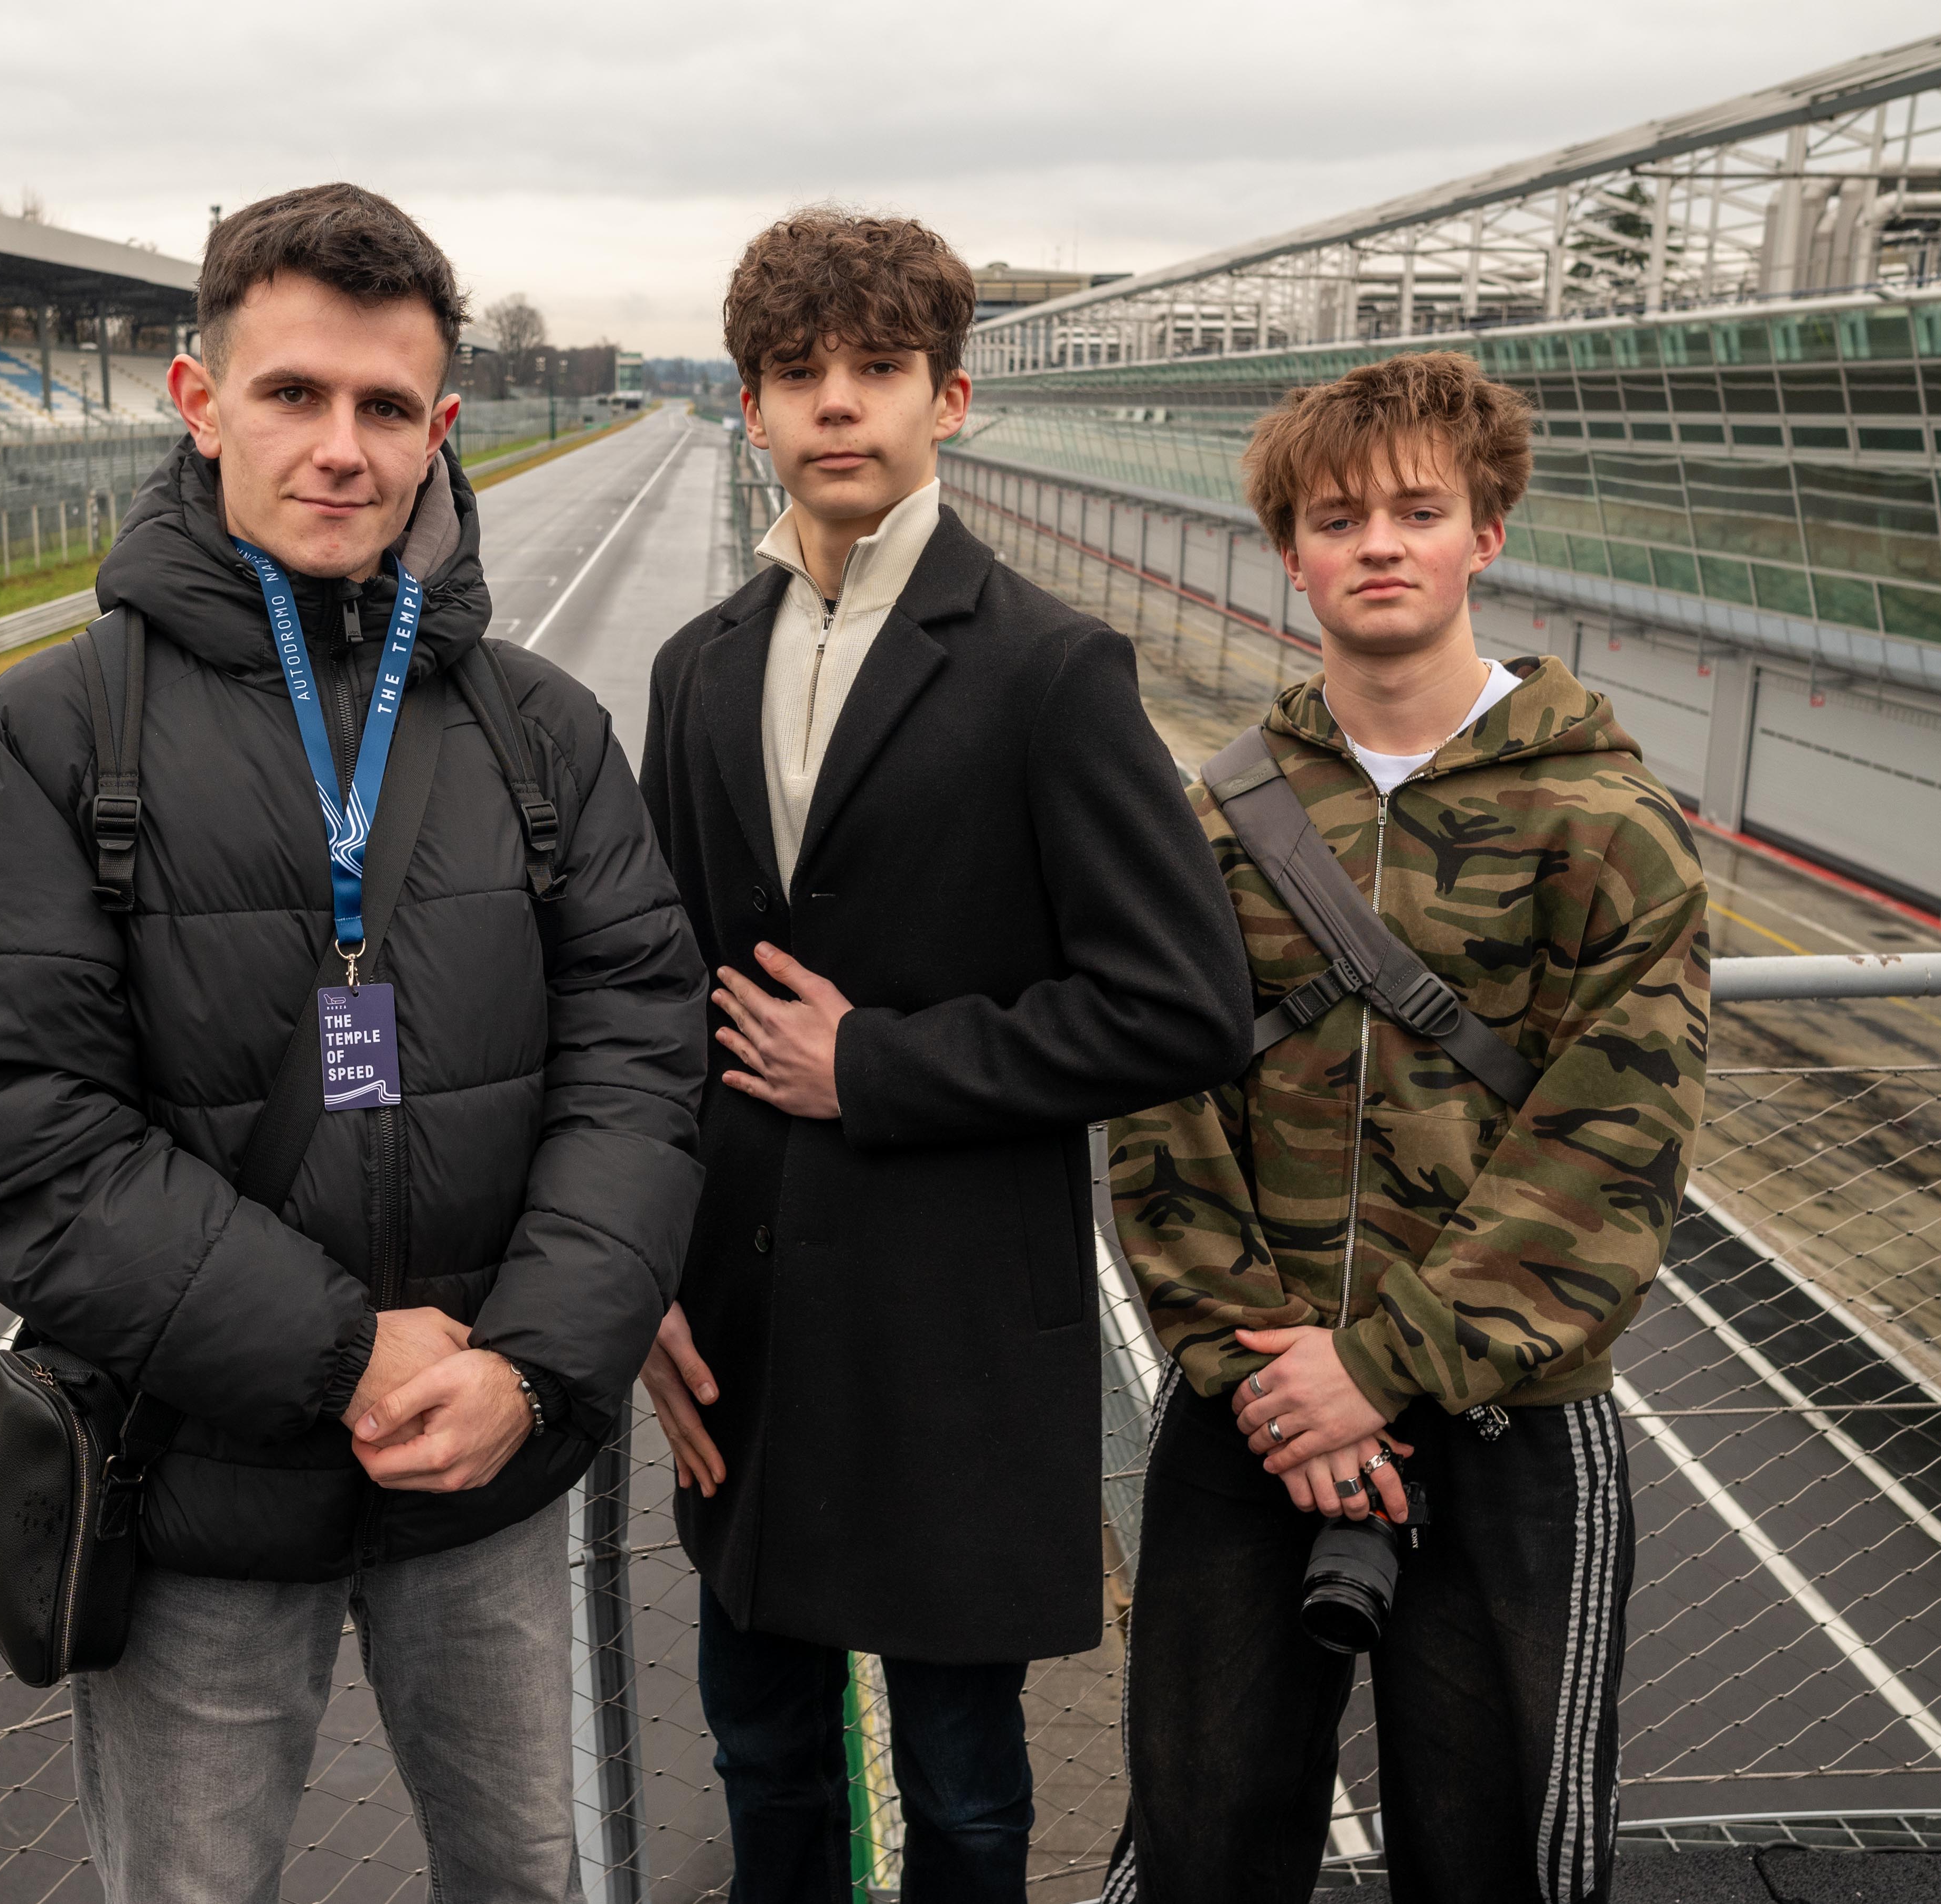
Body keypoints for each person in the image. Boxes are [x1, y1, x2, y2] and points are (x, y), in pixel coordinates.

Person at [0, 183, 706, 1904]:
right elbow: (17, 1135)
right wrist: (343, 1354)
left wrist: (531, 1368)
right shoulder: (54, 734)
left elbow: (641, 1065)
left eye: (385, 405)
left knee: (532, 1878)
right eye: (293, 393)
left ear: (441, 427)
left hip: (485, 1467)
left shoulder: (545, 732)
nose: (342, 447)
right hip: (196, 1487)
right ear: (200, 404)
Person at [636, 209, 1255, 1901]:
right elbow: (651, 1003)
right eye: (796, 373)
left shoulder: (1052, 669)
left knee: (967, 1793)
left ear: (950, 399)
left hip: (953, 1333)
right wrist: (644, 1277)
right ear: (752, 407)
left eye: (878, 368)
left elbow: (1184, 1001)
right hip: (744, 1329)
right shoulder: (696, 672)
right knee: (762, 1756)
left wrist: (876, 1068)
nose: (837, 402)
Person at [1104, 350, 1711, 1903]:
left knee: (1497, 1862)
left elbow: (1614, 1142)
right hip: (1253, 1413)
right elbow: (1162, 1112)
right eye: (1337, 518)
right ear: (1291, 555)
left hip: (1507, 1421)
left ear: (1484, 535)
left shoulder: (1609, 825)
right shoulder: (1214, 822)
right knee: (1200, 1847)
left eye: (1418, 511)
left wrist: (1372, 1372)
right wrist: (1272, 1377)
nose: (1378, 543)